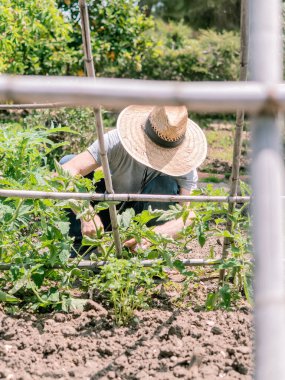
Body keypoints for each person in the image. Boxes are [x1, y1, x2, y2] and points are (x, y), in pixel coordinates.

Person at [60, 105, 207, 252]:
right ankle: (81, 246)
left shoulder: (184, 164)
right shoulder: (117, 141)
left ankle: (146, 252)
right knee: (68, 161)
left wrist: (154, 235)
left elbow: (188, 216)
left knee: (165, 185)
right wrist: (86, 213)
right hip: (105, 206)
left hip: (141, 220)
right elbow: (66, 170)